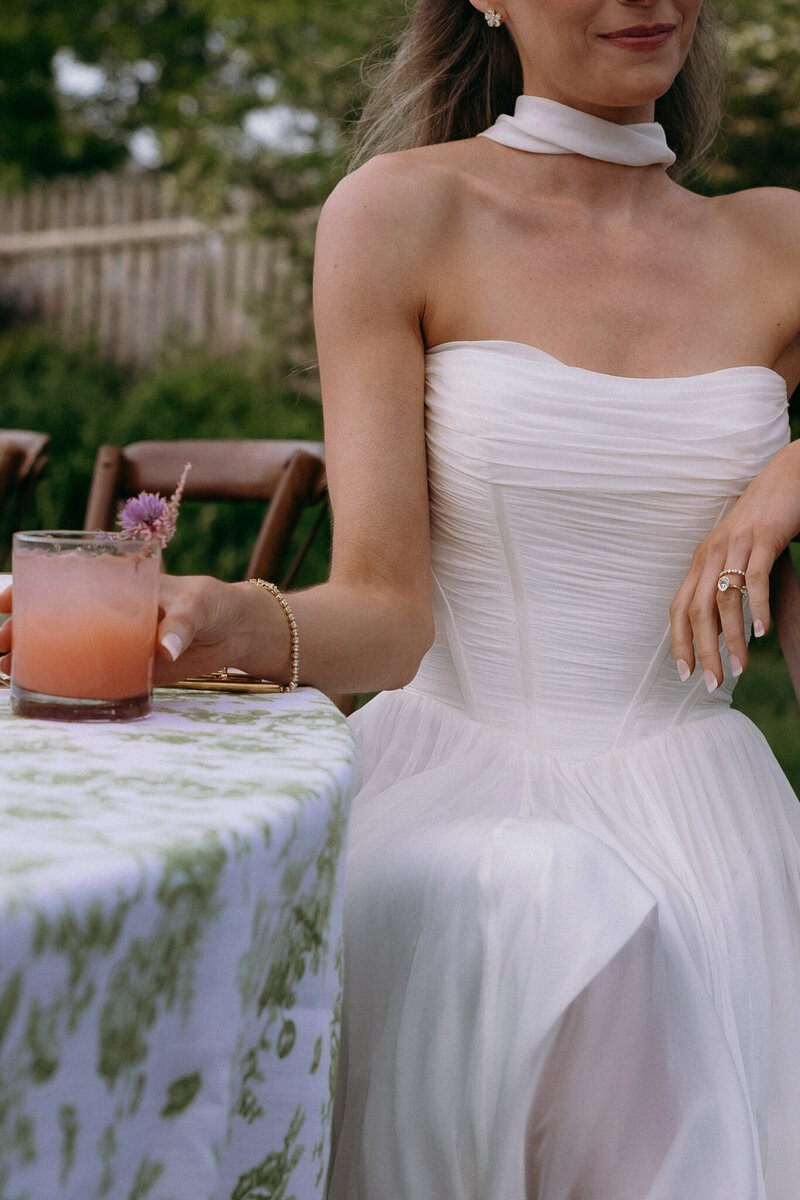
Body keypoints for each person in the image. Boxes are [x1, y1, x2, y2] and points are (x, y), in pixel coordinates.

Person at [3, 0, 800, 1195]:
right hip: (455, 800)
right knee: (549, 898)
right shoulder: (398, 211)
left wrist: (791, 475)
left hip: (708, 816)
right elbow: (384, 613)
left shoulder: (777, 238)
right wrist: (224, 617)